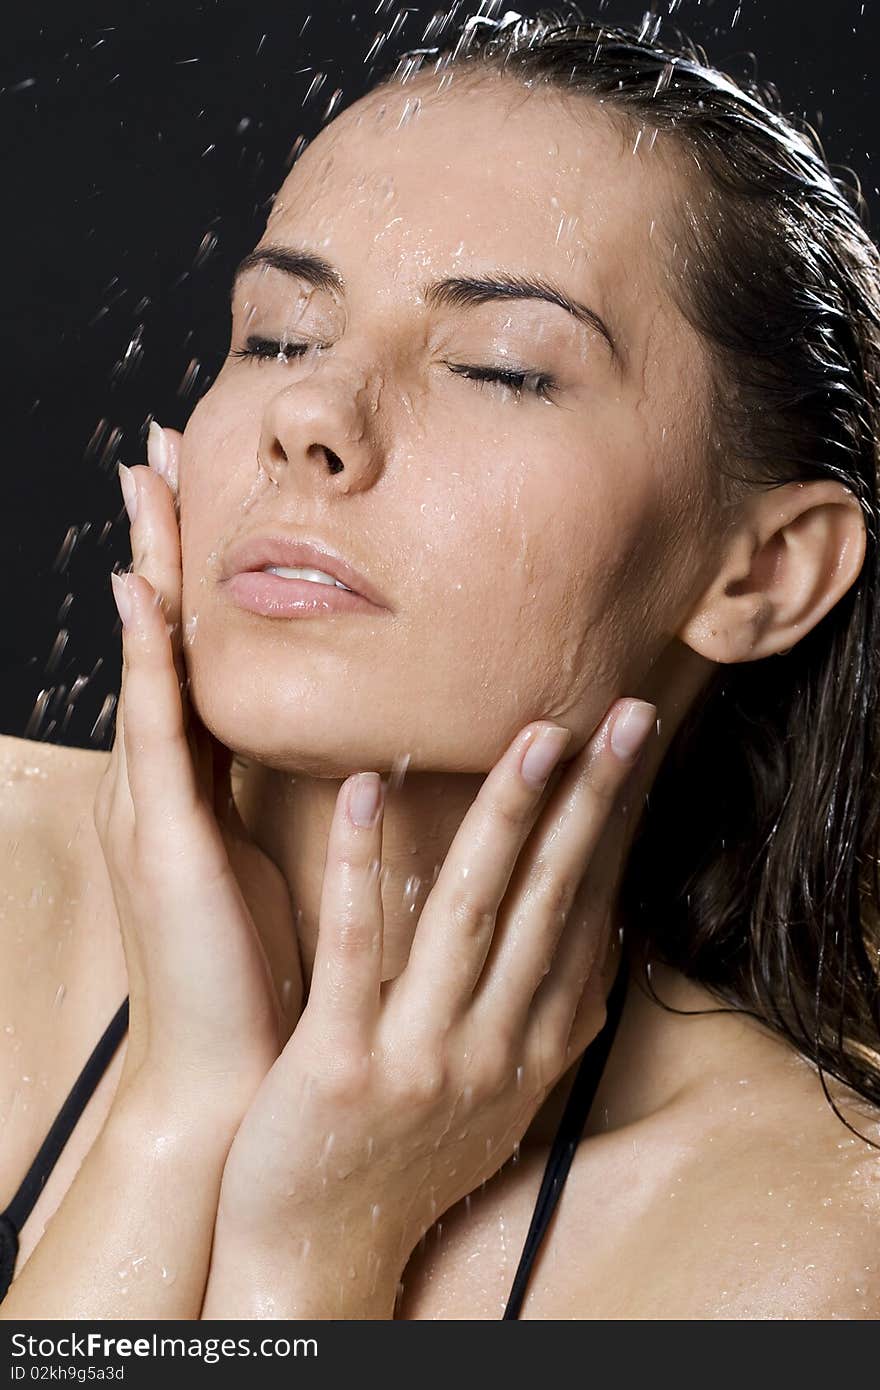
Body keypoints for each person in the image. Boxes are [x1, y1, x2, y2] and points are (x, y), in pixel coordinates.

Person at [1, 9, 879, 1320]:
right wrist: (177, 1118)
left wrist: (314, 1251)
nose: (310, 416)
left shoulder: (809, 1244)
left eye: (501, 367)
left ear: (762, 573)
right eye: (280, 336)